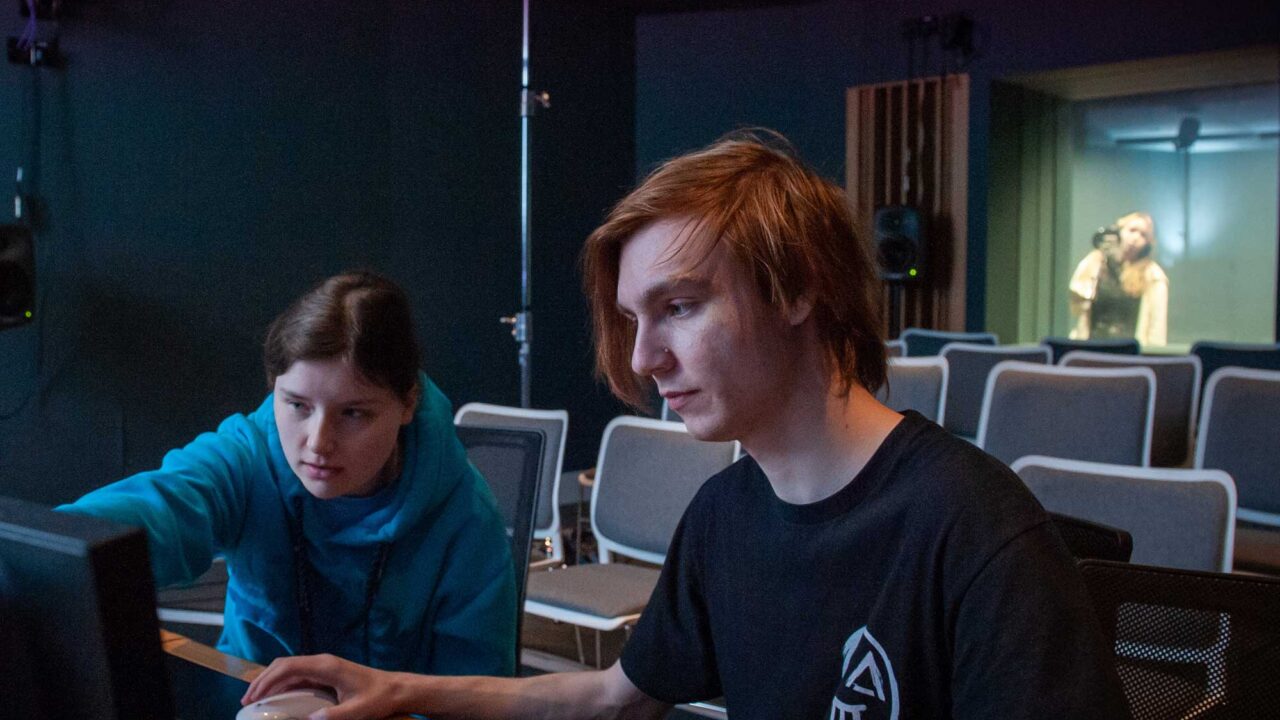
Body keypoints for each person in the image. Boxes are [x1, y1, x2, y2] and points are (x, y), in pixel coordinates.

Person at [244, 132, 1128, 719]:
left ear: (796, 289)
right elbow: (611, 699)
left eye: (680, 308)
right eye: (634, 321)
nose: (641, 360)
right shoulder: (724, 519)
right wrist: (398, 690)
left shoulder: (972, 527)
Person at [58, 271, 516, 676]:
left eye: (353, 413)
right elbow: (151, 511)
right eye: (296, 405)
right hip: (248, 706)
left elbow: (477, 694)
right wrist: (39, 559)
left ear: (407, 404)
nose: (317, 442)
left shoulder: (466, 517)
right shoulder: (247, 456)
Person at [1069, 211, 1168, 347]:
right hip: (1091, 347)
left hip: (1130, 352)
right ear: (1119, 231)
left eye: (1143, 235)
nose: (1135, 238)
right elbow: (1076, 300)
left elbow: (1157, 326)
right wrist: (1107, 263)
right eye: (1132, 230)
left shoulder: (1153, 275)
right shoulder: (1096, 262)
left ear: (1148, 242)